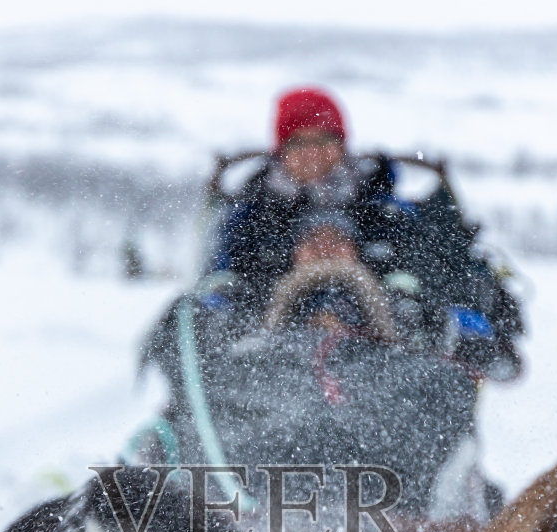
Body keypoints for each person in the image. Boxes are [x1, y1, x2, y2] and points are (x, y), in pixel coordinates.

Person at [209, 86, 524, 380]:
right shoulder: (251, 219)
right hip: (269, 383)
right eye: (299, 142)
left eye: (324, 140)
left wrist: (418, 319)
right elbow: (215, 291)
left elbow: (469, 324)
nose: (313, 153)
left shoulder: (388, 215)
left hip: (387, 379)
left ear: (342, 144)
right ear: (281, 151)